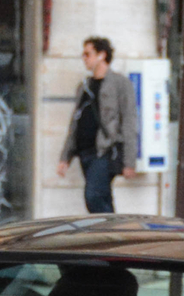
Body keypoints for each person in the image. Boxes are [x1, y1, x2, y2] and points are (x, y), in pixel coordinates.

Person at [56, 36, 135, 214]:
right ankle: (113, 233)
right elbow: (75, 122)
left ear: (101, 55)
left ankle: (108, 233)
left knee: (93, 195)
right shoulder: (84, 86)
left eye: (87, 54)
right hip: (85, 152)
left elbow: (129, 121)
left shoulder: (120, 84)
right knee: (102, 196)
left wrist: (129, 161)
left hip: (105, 150)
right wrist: (65, 157)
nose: (84, 58)